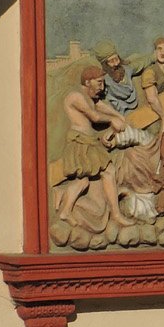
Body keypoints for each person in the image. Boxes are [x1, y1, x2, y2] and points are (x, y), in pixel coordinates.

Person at [56, 66, 129, 226]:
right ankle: (116, 214)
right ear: (88, 82)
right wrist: (112, 120)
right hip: (80, 142)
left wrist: (119, 116)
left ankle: (65, 210)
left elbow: (100, 105)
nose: (101, 87)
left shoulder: (87, 97)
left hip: (88, 141)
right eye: (99, 82)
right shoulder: (76, 96)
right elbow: (94, 116)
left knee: (83, 181)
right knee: (107, 172)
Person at [140, 36, 164, 135]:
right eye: (159, 49)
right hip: (151, 113)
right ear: (155, 52)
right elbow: (152, 99)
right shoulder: (150, 72)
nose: (162, 53)